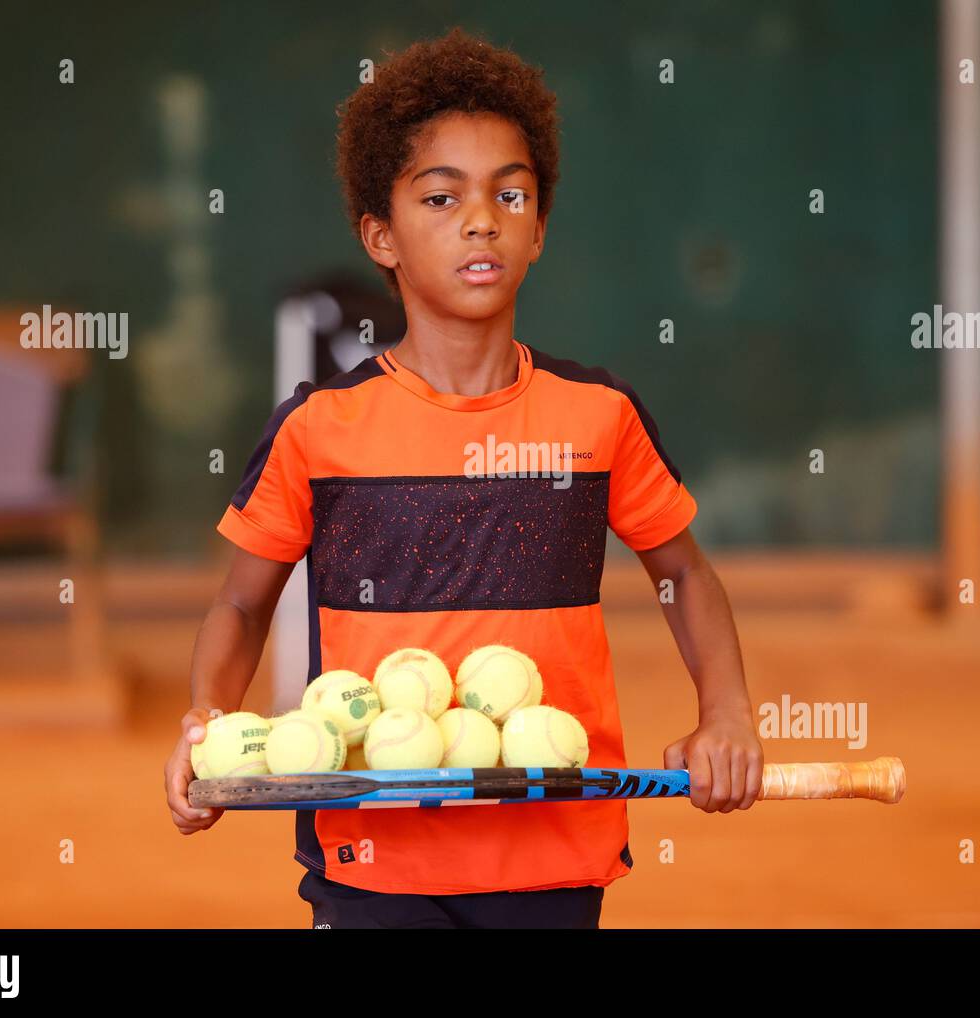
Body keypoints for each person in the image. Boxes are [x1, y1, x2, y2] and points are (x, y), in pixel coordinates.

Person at [164, 26, 762, 929]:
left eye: (509, 195)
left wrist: (726, 715)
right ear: (381, 236)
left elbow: (682, 572)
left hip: (553, 853)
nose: (481, 219)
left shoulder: (597, 417)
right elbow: (242, 605)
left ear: (539, 231)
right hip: (371, 858)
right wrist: (209, 723)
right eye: (441, 198)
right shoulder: (319, 429)